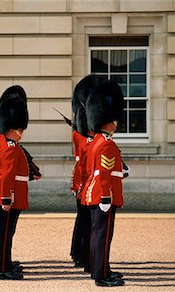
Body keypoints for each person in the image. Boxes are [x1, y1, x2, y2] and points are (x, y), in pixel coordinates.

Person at [0, 85, 41, 280]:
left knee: (6, 231)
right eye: (20, 128)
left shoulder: (8, 143)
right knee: (5, 232)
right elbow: (7, 174)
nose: (22, 131)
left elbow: (15, 171)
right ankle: (3, 268)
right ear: (13, 128)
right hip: (9, 195)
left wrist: (30, 175)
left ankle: (2, 261)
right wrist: (6, 198)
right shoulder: (10, 146)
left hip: (10, 192)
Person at [82, 80, 126, 287]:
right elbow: (104, 173)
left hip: (96, 193)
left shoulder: (97, 141)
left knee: (99, 235)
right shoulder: (106, 143)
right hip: (103, 195)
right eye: (114, 120)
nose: (116, 124)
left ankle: (102, 269)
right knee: (103, 236)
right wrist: (106, 197)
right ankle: (101, 276)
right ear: (107, 120)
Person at [70, 75, 98, 268]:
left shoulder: (82, 134)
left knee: (83, 221)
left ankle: (78, 253)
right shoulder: (85, 137)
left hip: (83, 182)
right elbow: (84, 163)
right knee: (88, 222)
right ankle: (84, 256)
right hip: (85, 183)